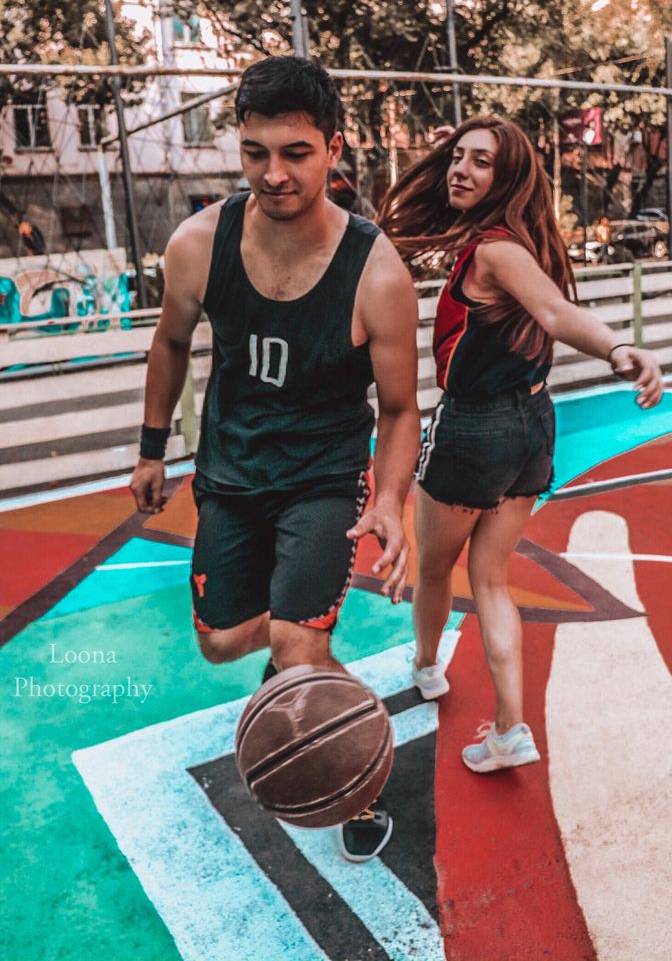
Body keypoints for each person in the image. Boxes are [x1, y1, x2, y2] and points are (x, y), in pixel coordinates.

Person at [130, 56, 420, 858]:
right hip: (229, 472)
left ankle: (355, 775)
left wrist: (390, 501)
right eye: (256, 152)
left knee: (298, 646)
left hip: (325, 479)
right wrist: (152, 450)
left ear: (334, 148)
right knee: (223, 641)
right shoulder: (199, 243)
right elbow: (170, 343)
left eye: (295, 152)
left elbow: (399, 409)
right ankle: (308, 663)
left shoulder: (377, 273)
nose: (274, 173)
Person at [378, 115, 663, 773]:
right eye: (457, 156)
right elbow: (555, 310)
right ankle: (509, 731)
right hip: (534, 426)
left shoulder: (496, 252)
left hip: (475, 428)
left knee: (433, 567)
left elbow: (560, 317)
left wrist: (619, 347)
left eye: (481, 162)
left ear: (506, 178)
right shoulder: (523, 244)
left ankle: (426, 668)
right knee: (492, 578)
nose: (460, 169)